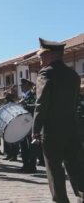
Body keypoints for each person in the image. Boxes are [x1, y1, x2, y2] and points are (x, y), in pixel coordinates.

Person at [33, 38, 84, 203]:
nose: (40, 62)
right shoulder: (73, 75)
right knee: (76, 166)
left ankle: (61, 200)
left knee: (54, 169)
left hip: (52, 130)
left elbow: (41, 104)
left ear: (50, 55)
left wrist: (36, 129)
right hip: (72, 128)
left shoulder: (46, 73)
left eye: (41, 57)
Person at [18, 78, 38, 173]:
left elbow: (35, 107)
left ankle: (32, 166)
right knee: (23, 146)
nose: (21, 87)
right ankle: (25, 164)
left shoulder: (33, 95)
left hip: (30, 123)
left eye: (23, 85)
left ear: (28, 86)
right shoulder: (23, 96)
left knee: (30, 146)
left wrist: (24, 104)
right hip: (23, 123)